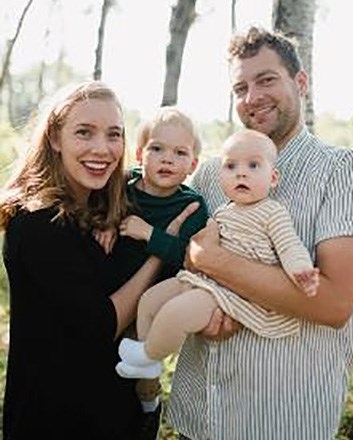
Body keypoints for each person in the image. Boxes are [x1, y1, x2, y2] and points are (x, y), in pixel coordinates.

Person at [167, 27, 353, 440]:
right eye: (240, 87)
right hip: (198, 413)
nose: (252, 98)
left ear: (300, 82)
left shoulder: (347, 171)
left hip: (281, 420)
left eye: (266, 80)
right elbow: (174, 250)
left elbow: (333, 302)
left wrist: (212, 260)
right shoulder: (212, 174)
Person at [0, 81, 198, 440]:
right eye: (84, 133)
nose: (102, 149)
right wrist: (156, 252)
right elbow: (102, 323)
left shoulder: (107, 206)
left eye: (114, 134)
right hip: (56, 417)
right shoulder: (37, 222)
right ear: (55, 139)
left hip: (117, 409)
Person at [116, 128, 320, 382]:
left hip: (232, 294)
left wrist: (300, 269)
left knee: (176, 313)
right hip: (204, 281)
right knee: (149, 300)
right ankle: (148, 364)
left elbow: (289, 246)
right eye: (231, 166)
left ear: (273, 178)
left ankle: (148, 354)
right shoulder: (222, 211)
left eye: (254, 166)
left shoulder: (272, 213)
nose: (241, 173)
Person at [106, 106, 208, 426]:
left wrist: (150, 234)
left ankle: (148, 409)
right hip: (111, 292)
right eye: (157, 148)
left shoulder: (191, 206)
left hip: (155, 302)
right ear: (139, 153)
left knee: (140, 361)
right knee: (103, 361)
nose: (167, 159)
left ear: (192, 164)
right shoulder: (121, 187)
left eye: (180, 153)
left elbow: (191, 260)